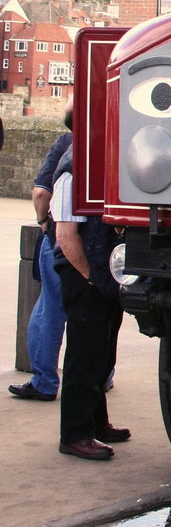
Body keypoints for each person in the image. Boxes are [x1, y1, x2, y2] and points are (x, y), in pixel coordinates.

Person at [51, 146, 130, 460]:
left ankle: (97, 423)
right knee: (84, 356)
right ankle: (75, 434)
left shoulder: (93, 163)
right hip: (85, 274)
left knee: (101, 351)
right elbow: (65, 234)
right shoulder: (73, 171)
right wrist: (90, 277)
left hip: (101, 273)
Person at [9, 104, 73, 402]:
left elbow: (41, 193)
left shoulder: (65, 144)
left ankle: (45, 381)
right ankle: (100, 375)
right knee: (95, 313)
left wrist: (43, 221)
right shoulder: (111, 142)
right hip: (103, 241)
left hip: (60, 237)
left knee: (50, 309)